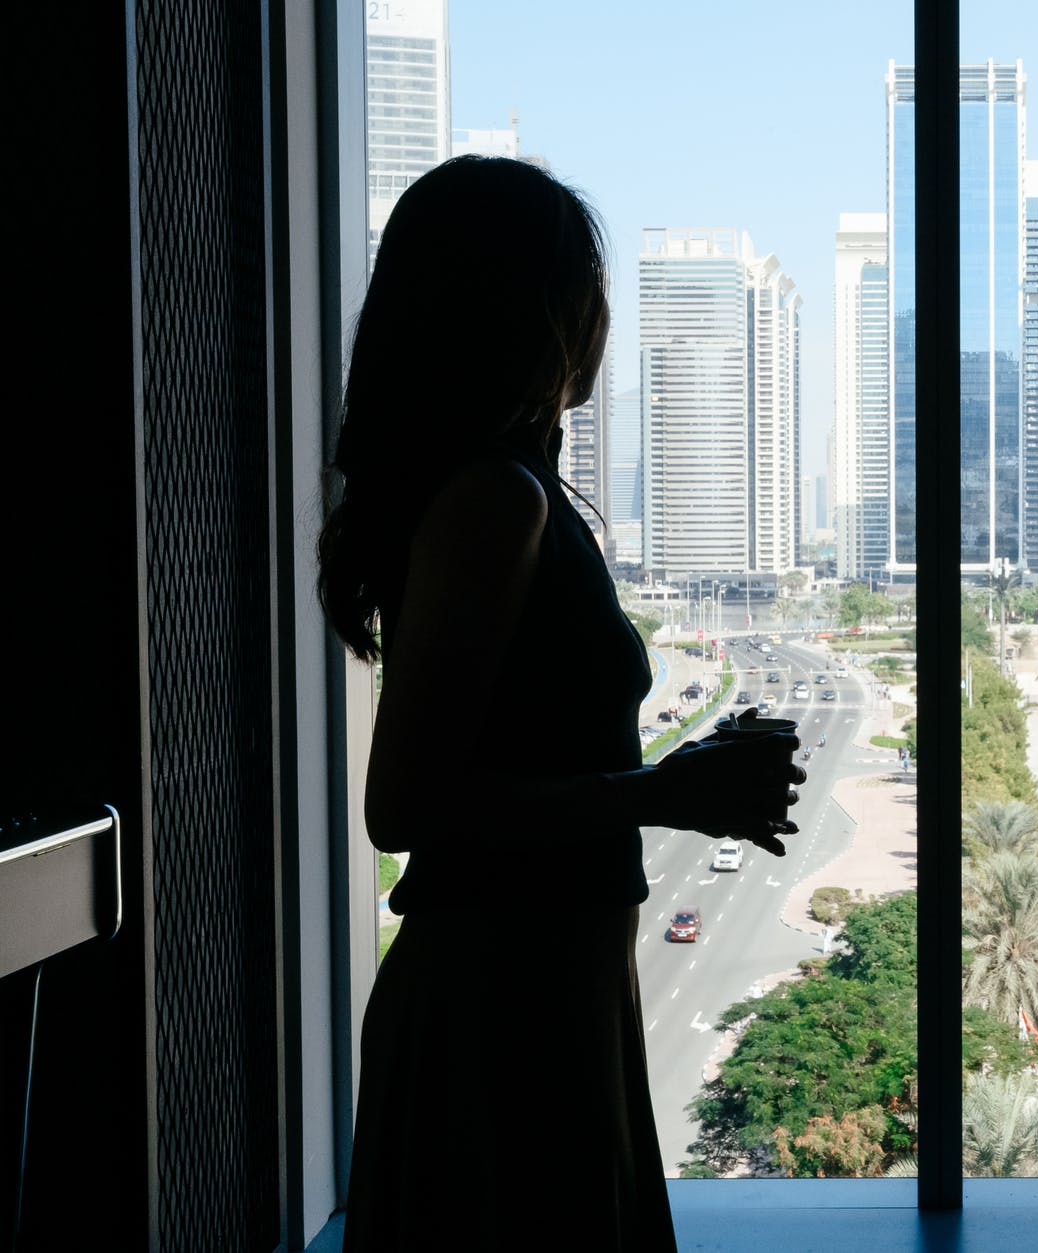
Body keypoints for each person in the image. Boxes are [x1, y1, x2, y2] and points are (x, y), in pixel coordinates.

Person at [317, 155, 802, 1252]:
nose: (603, 309)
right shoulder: (496, 499)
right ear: (527, 308)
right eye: (583, 277)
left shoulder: (507, 491)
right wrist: (667, 791)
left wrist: (673, 780)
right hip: (506, 1015)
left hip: (542, 996)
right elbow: (405, 806)